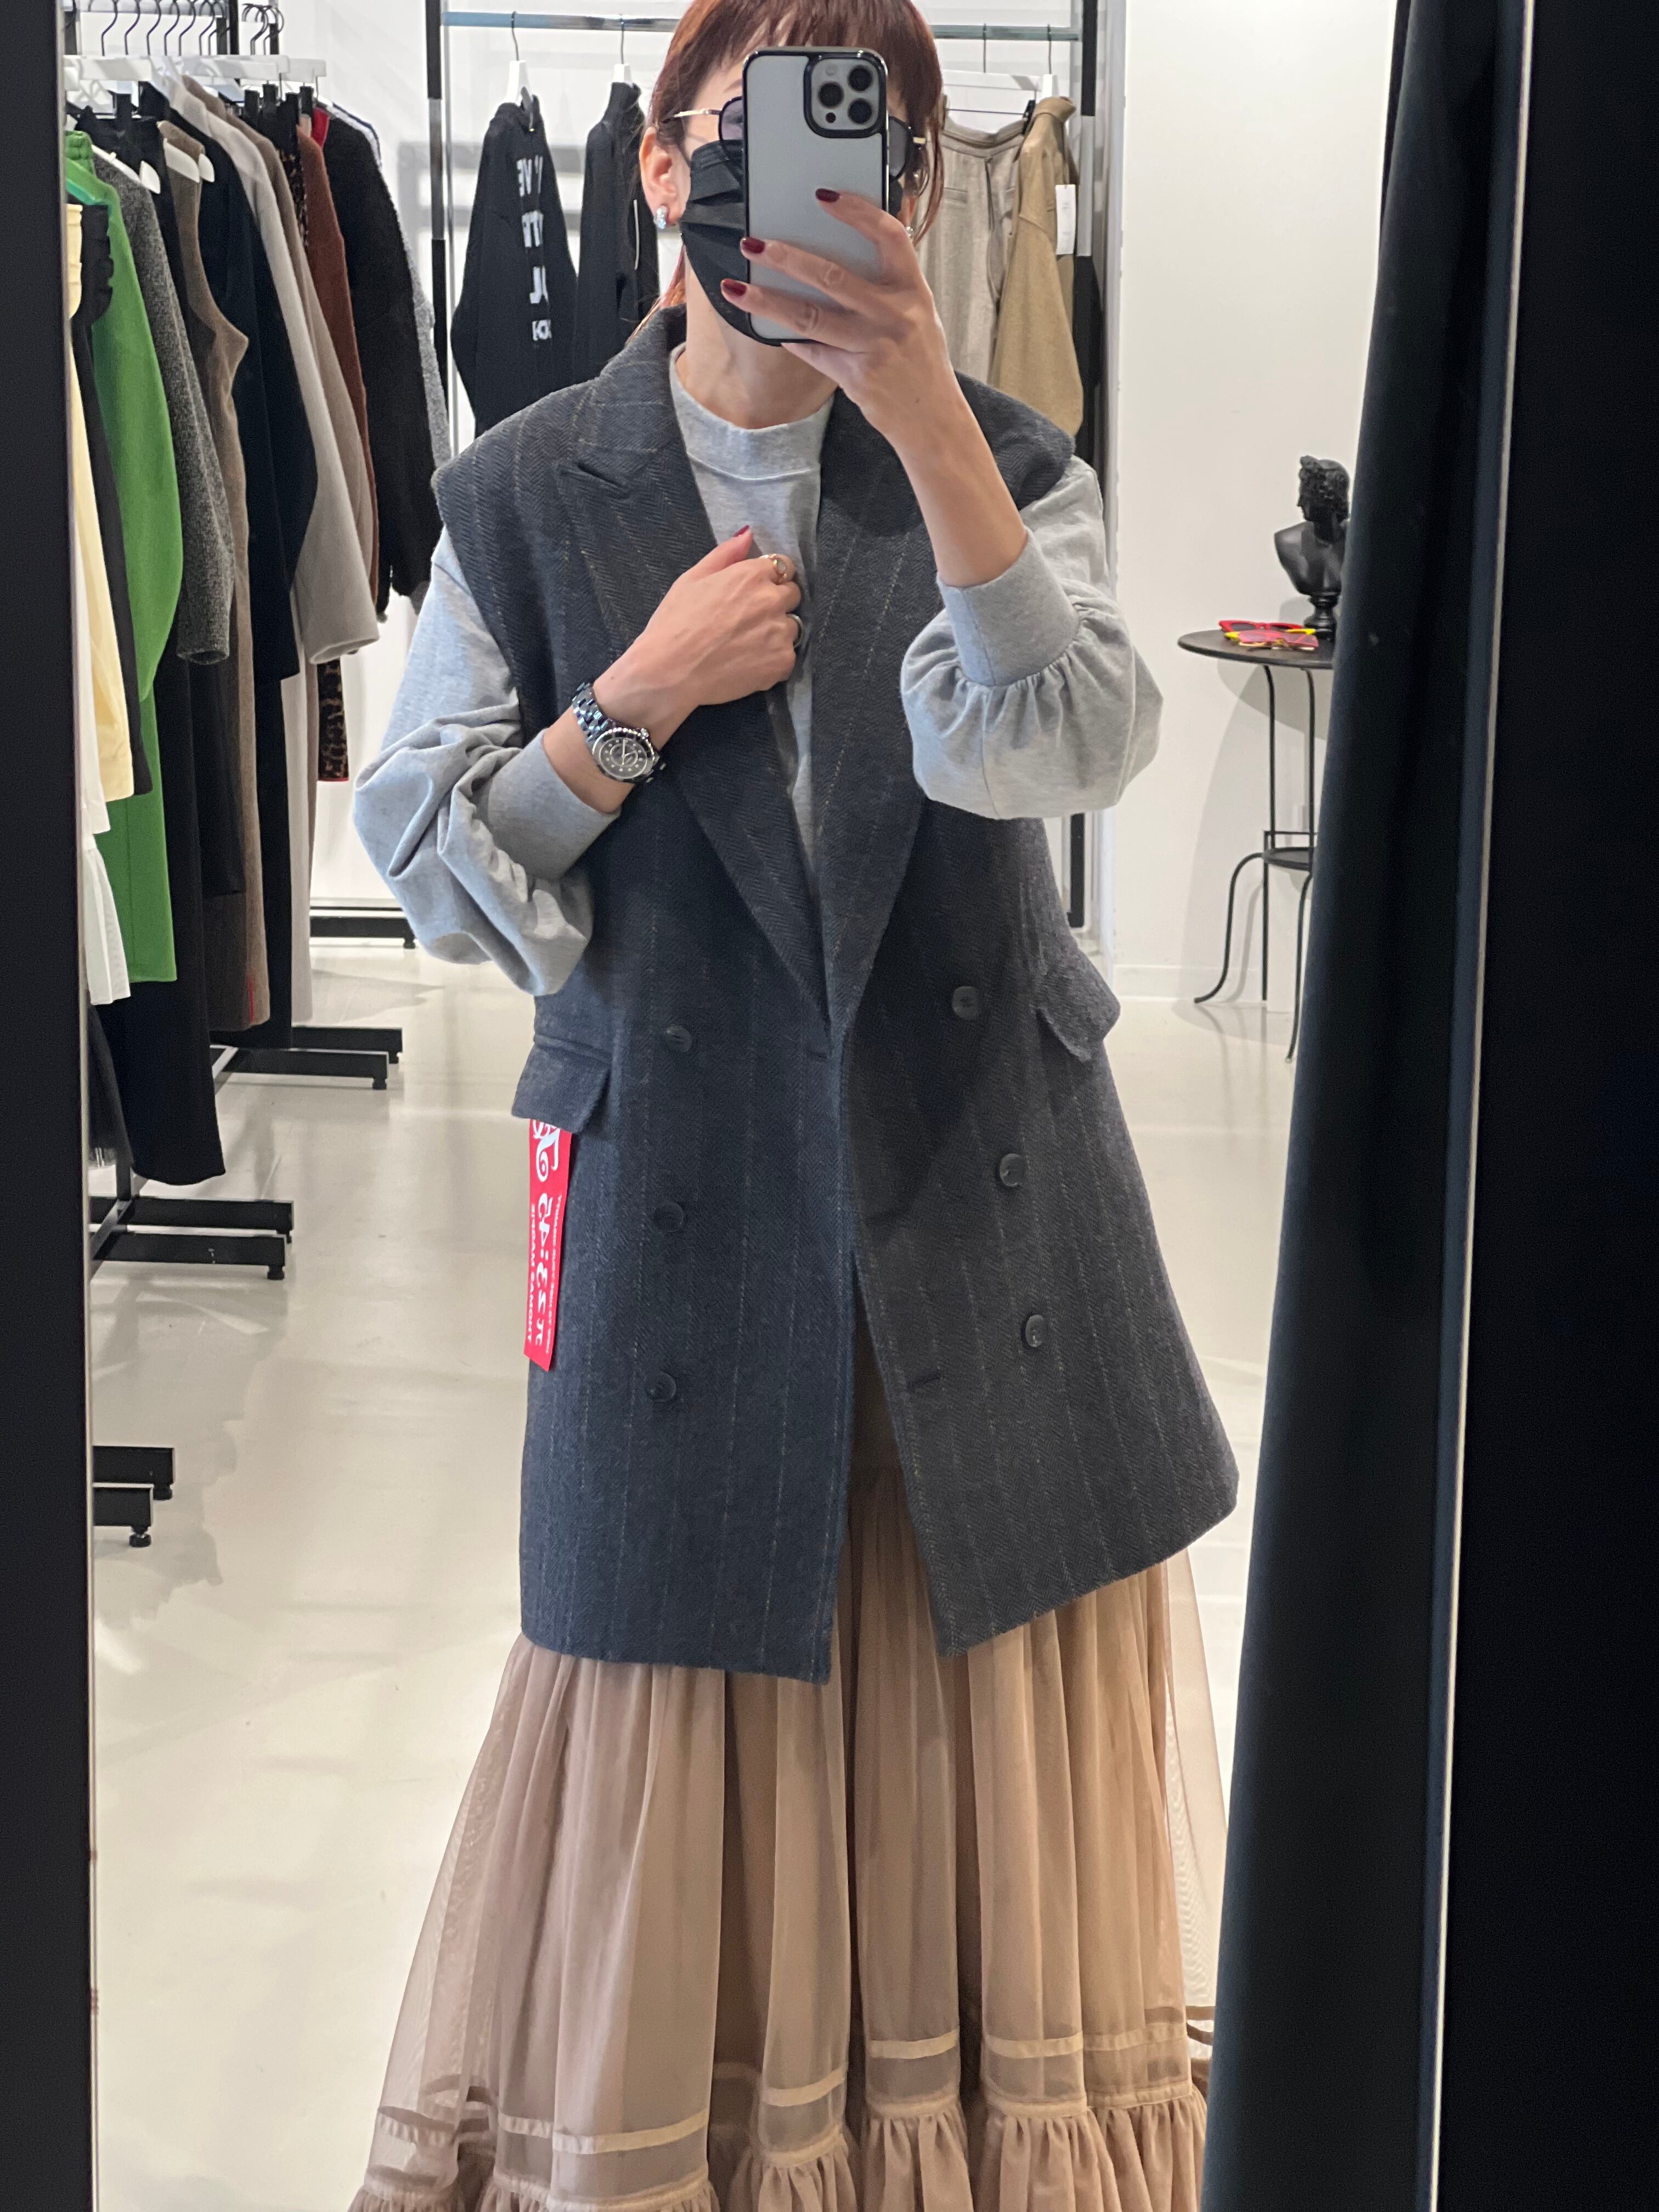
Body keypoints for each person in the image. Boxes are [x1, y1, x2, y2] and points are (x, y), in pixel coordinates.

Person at [349, 2, 1236, 2207]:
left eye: (877, 148)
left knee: (976, 1744)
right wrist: (630, 703)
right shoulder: (526, 483)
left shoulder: (1007, 458)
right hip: (677, 1206)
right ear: (662, 166)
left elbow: (1068, 748)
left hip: (980, 1198)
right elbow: (433, 867)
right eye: (750, 135)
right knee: (674, 1713)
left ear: (917, 190)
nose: (822, 185)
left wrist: (926, 420)